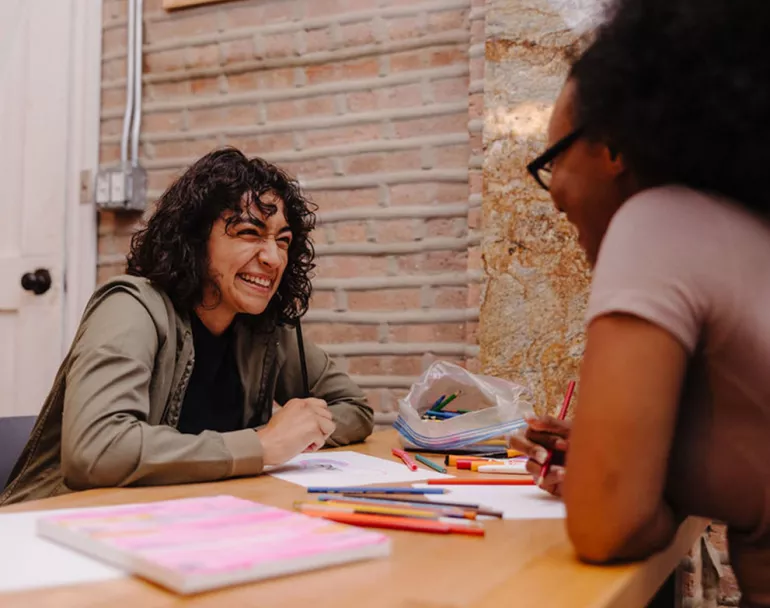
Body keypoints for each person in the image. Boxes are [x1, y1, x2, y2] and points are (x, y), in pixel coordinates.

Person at [510, 0, 770, 604]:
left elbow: (609, 527)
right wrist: (622, 455)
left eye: (552, 162)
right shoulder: (742, 230)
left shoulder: (656, 220)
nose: (555, 197)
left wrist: (621, 488)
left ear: (612, 147)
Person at [1, 148, 373, 506]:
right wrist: (261, 445)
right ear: (195, 240)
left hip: (187, 519)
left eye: (283, 240)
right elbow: (97, 449)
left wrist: (299, 432)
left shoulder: (264, 328)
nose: (273, 257)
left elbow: (354, 408)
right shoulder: (131, 306)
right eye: (248, 233)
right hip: (56, 530)